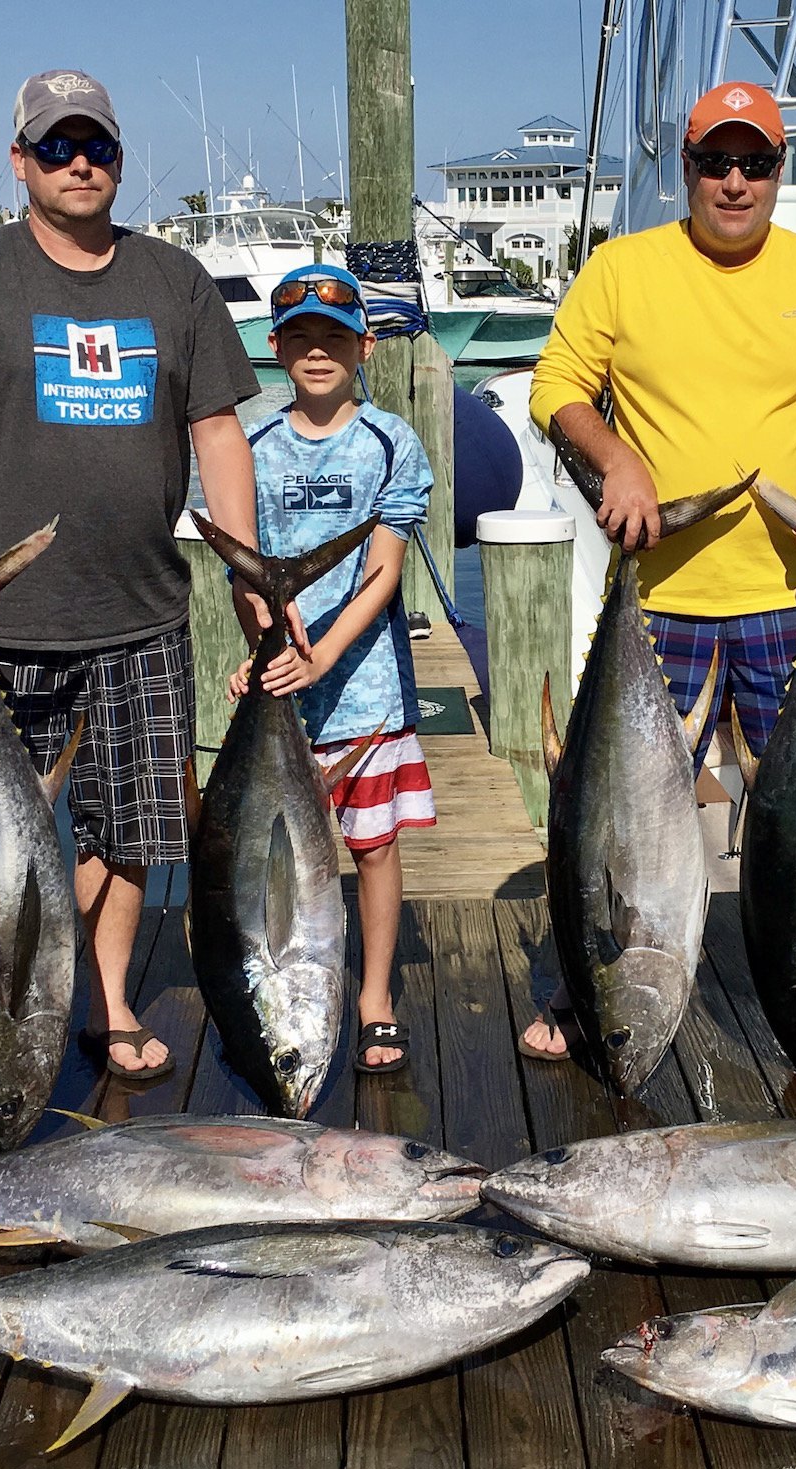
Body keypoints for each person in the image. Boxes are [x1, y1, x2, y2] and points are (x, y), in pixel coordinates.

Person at [0, 68, 262, 1123]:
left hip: (144, 611)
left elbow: (219, 433)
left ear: (120, 158)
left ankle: (106, 1004)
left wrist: (248, 568)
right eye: (56, 146)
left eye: (96, 145)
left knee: (130, 827)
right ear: (20, 161)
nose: (78, 162)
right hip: (8, 626)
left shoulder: (175, 282)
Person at [519, 80, 796, 1065]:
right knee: (610, 811)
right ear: (687, 168)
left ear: (779, 170)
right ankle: (585, 980)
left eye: (755, 163)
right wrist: (614, 458)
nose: (734, 182)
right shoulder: (624, 268)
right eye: (714, 161)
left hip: (790, 595)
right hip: (659, 599)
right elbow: (556, 384)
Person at [220, 264, 438, 1073]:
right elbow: (243, 574)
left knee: (372, 846)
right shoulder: (250, 448)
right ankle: (281, 983)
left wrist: (323, 656)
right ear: (275, 348)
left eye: (335, 338)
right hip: (282, 684)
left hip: (366, 687)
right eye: (301, 337)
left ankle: (374, 996)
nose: (318, 351)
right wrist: (263, 649)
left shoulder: (391, 442)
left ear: (365, 348)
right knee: (273, 858)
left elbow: (384, 573)